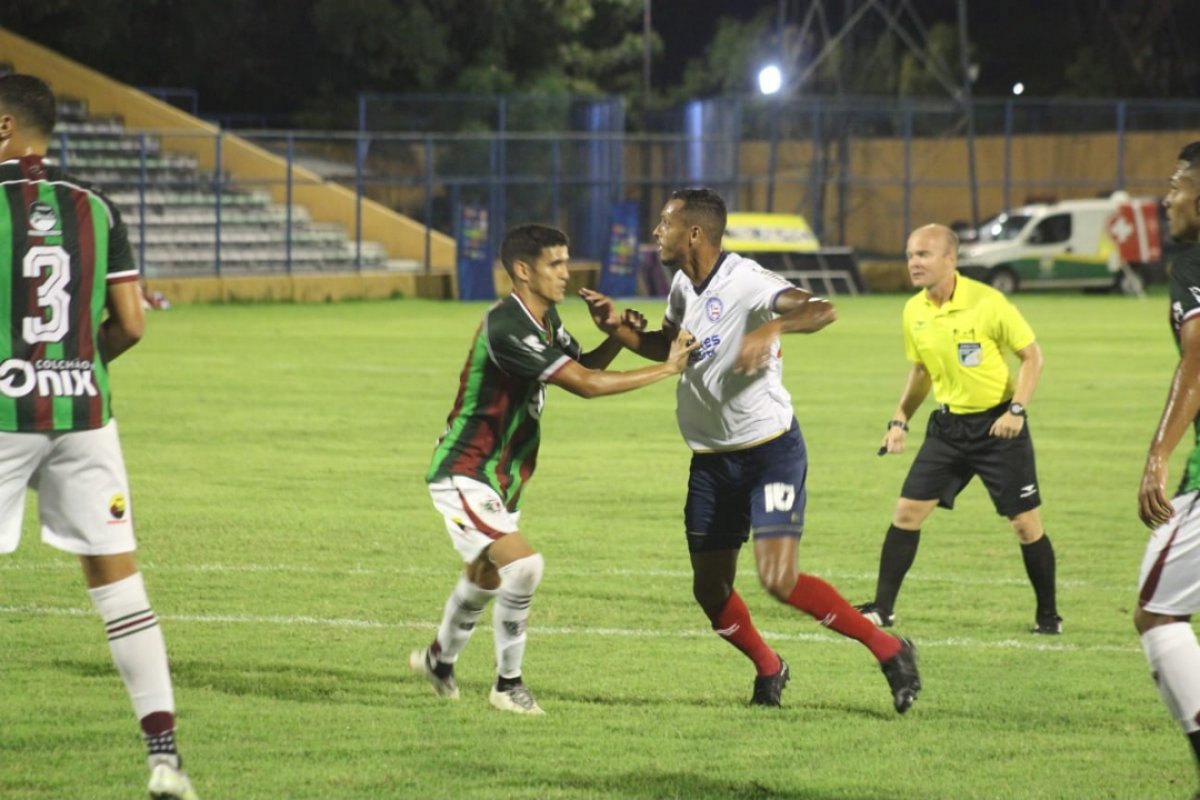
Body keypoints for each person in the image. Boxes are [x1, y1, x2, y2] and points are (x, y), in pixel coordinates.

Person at [581, 188, 922, 713]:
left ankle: (890, 649)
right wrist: (621, 333)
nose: (656, 232)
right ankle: (769, 666)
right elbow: (670, 347)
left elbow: (821, 309)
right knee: (710, 590)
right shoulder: (681, 286)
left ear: (694, 232)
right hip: (712, 462)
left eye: (665, 223)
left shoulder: (746, 279)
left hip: (770, 452)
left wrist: (773, 327)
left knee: (778, 578)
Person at [0, 74, 197, 799]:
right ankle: (166, 757)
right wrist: (73, 369)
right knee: (119, 585)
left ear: (3, 127)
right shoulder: (96, 206)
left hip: (1, 413)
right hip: (84, 415)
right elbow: (133, 322)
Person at [411, 223, 697, 714]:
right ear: (523, 270)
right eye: (556, 264)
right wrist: (667, 367)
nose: (567, 272)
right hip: (465, 469)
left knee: (485, 574)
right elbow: (584, 384)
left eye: (567, 261)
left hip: (500, 475)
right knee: (524, 566)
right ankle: (508, 685)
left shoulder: (544, 319)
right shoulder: (507, 324)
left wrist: (618, 336)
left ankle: (439, 660)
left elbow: (581, 362)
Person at [856, 223, 1060, 636]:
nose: (914, 262)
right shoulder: (914, 310)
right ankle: (883, 609)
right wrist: (899, 420)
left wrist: (1016, 411)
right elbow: (920, 370)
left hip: (998, 426)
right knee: (907, 513)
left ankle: (1048, 617)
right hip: (948, 428)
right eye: (911, 254)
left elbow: (1032, 357)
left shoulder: (988, 302)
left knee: (1025, 524)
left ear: (951, 259)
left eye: (924, 255)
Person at [1135, 141, 1200, 800]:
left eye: (1178, 185)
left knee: (1157, 613)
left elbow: (1198, 360)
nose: (1168, 196)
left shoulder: (1193, 262)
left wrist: (1158, 454)